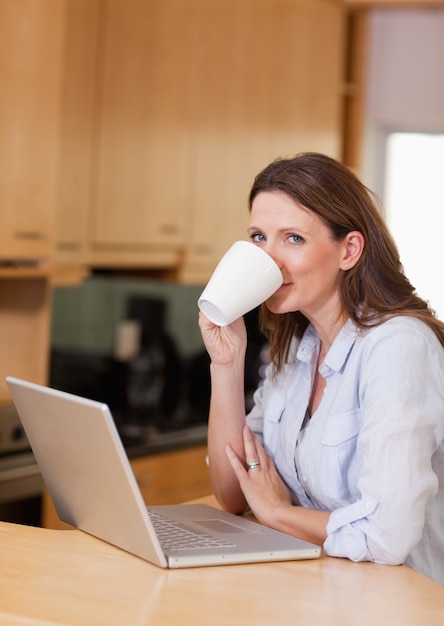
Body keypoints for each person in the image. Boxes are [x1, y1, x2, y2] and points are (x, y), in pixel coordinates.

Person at [198, 152, 444, 584]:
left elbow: (387, 537)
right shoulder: (297, 346)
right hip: (324, 591)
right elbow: (232, 493)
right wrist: (227, 363)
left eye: (293, 238)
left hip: (406, 602)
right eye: (258, 237)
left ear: (349, 249)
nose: (269, 260)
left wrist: (277, 512)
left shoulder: (397, 346)